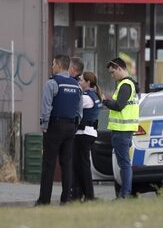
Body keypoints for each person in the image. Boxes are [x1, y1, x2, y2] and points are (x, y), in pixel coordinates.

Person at [35, 55, 83, 206]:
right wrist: (74, 125)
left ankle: (44, 201)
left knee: (49, 164)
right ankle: (66, 200)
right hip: (70, 128)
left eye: (53, 63)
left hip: (54, 127)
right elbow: (79, 111)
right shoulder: (77, 86)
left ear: (59, 65)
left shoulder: (52, 83)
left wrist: (44, 125)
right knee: (67, 164)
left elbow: (46, 107)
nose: (52, 67)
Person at [102, 57, 140, 198]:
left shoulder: (125, 85)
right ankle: (126, 192)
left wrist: (105, 101)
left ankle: (124, 194)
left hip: (121, 131)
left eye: (113, 72)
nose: (112, 75)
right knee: (125, 163)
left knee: (124, 164)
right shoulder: (131, 84)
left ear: (119, 68)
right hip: (126, 130)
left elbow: (119, 106)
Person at [71, 71, 103, 201]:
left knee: (81, 166)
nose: (80, 82)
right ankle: (83, 194)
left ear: (88, 82)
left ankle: (88, 195)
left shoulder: (86, 97)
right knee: (81, 165)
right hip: (89, 133)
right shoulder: (95, 95)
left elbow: (73, 106)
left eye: (82, 81)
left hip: (83, 134)